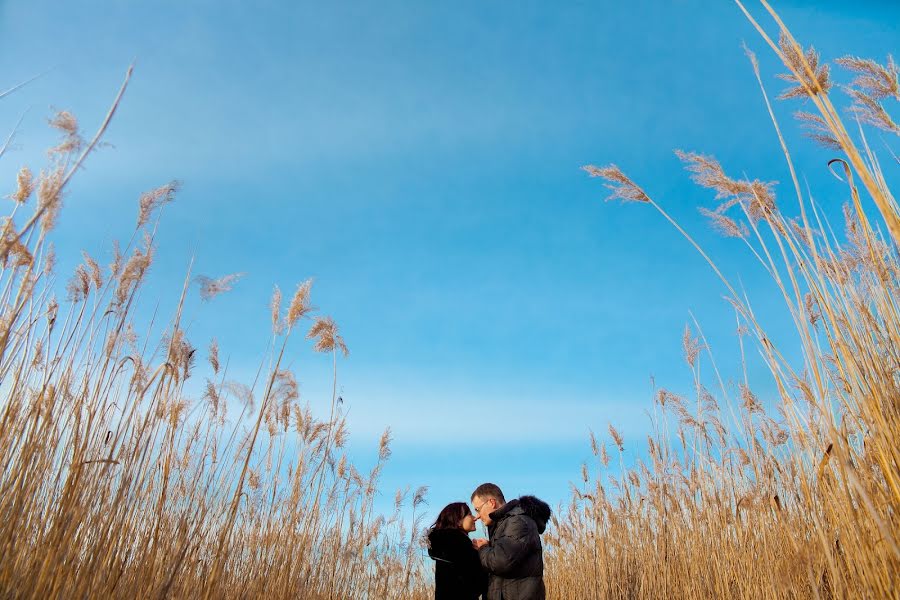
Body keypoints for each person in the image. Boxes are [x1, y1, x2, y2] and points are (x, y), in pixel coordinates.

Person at [470, 483, 551, 600]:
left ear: (491, 503)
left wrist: (483, 548)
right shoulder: (504, 523)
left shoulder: (518, 521)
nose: (477, 516)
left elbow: (502, 562)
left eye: (478, 509)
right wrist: (490, 547)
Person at [427, 502, 488, 600]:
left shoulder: (445, 546)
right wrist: (485, 550)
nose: (474, 518)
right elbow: (477, 583)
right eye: (469, 514)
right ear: (458, 521)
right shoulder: (461, 546)